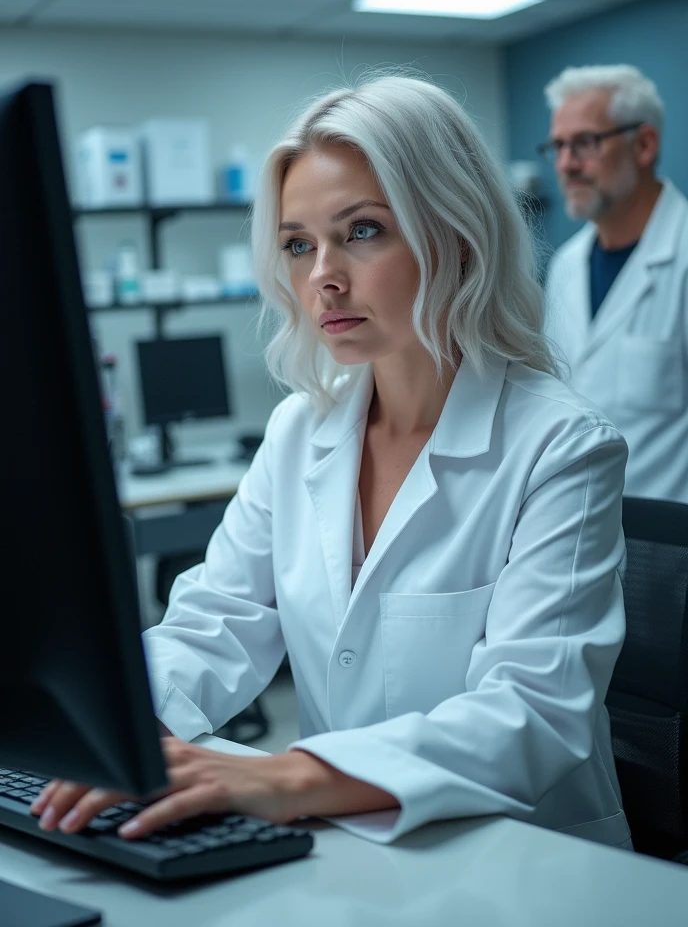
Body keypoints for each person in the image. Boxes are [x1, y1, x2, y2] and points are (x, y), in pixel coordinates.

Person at [33, 74, 631, 850]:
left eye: (363, 231)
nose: (323, 277)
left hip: (524, 859)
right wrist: (112, 728)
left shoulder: (561, 446)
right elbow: (217, 623)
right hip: (349, 852)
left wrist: (284, 779)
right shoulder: (297, 433)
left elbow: (533, 714)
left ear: (455, 234)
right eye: (297, 245)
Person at [542, 64, 688, 502]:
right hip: (578, 526)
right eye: (558, 147)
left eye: (585, 143)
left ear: (644, 144)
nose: (566, 164)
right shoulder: (565, 265)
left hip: (669, 543)